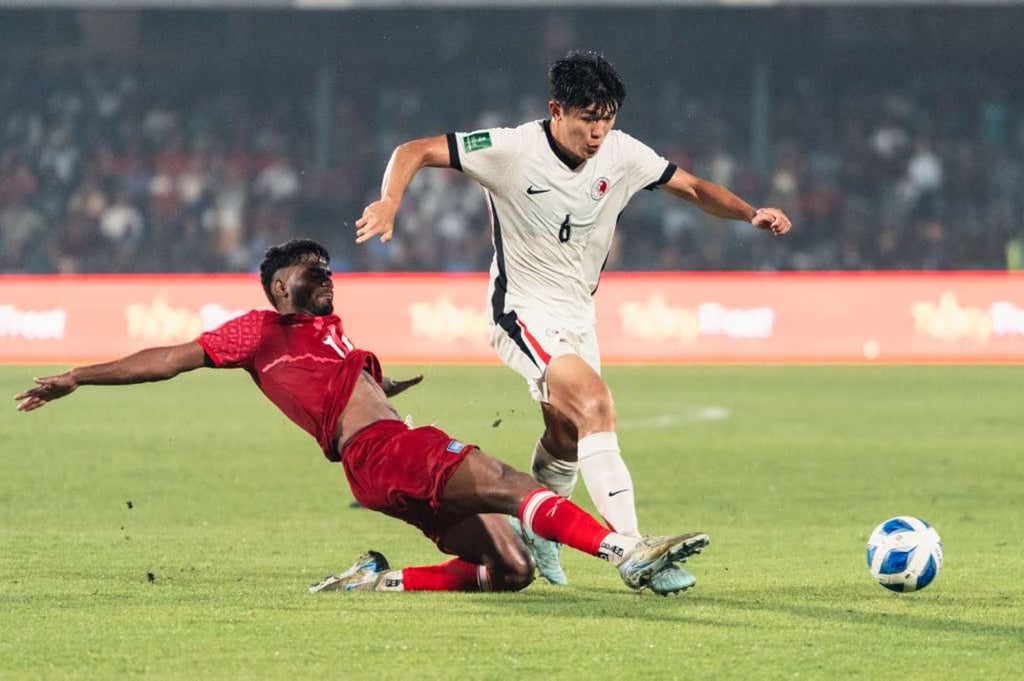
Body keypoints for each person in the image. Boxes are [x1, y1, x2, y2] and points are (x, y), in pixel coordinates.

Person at [15, 238, 709, 594]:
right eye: (314, 272)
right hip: (385, 450)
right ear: (282, 285)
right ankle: (625, 551)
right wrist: (78, 374)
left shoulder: (336, 335)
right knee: (505, 479)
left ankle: (382, 579)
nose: (328, 276)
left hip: (377, 463)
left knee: (514, 567)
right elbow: (167, 357)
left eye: (329, 269)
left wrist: (380, 383)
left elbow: (337, 385)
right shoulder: (258, 331)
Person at [355, 51, 792, 592]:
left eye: (607, 119)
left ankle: (536, 532)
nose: (598, 132)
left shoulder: (623, 154)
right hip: (522, 309)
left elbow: (697, 189)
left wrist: (751, 213)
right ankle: (634, 548)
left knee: (565, 433)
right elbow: (414, 150)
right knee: (596, 402)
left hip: (579, 315)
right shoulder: (511, 149)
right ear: (556, 110)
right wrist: (389, 201)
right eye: (588, 118)